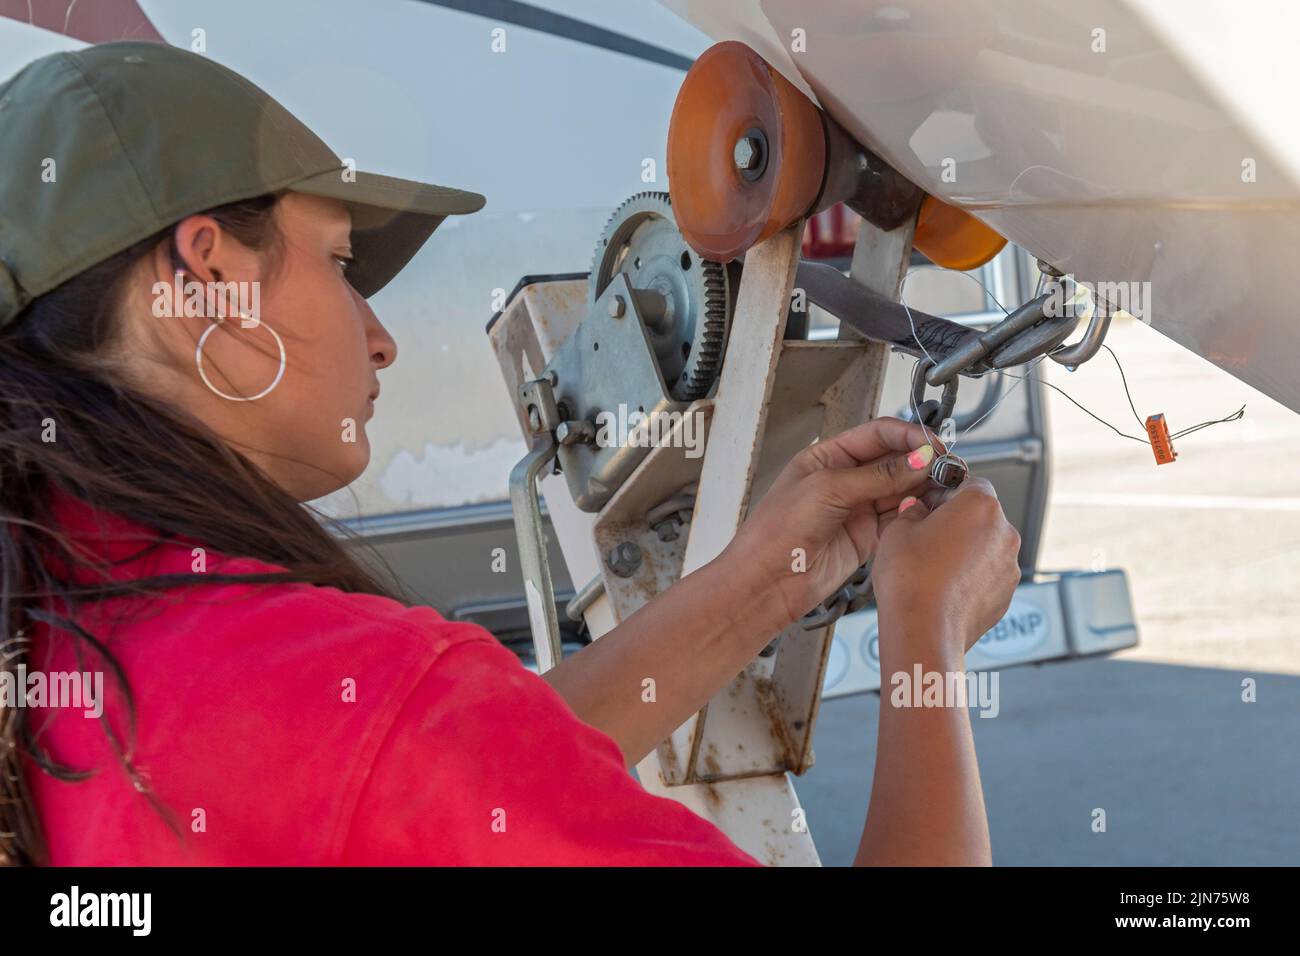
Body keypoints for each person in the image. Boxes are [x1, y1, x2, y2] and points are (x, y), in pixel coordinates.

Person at [0, 41, 1021, 867]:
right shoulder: (339, 695)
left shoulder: (70, 633)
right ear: (207, 277)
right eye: (342, 263)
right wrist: (923, 635)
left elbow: (478, 766)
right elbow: (411, 750)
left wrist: (762, 575)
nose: (379, 334)